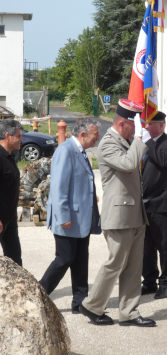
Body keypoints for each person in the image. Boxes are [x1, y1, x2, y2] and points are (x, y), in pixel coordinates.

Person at [80, 99, 156, 327]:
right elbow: (129, 164)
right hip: (119, 215)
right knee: (115, 263)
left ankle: (129, 312)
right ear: (123, 123)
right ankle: (92, 305)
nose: (137, 129)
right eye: (135, 125)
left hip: (134, 214)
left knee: (133, 267)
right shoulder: (107, 144)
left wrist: (137, 139)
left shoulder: (125, 140)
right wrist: (140, 140)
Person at [39, 117, 101, 313]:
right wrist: (63, 214)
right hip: (68, 218)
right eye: (95, 135)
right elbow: (58, 187)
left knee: (81, 259)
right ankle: (38, 293)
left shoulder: (81, 151)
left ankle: (80, 301)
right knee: (64, 259)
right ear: (82, 134)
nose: (97, 139)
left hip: (81, 218)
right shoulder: (65, 150)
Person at [141, 111, 167, 299]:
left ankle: (166, 282)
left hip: (164, 204)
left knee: (165, 246)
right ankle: (149, 281)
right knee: (145, 247)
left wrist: (149, 142)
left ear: (161, 125)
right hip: (143, 204)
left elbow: (165, 162)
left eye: (150, 124)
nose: (146, 127)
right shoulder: (142, 144)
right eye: (145, 123)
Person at [0, 119, 24, 266]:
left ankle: (17, 289)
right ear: (8, 135)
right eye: (19, 136)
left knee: (15, 260)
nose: (21, 139)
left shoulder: (9, 156)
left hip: (10, 218)